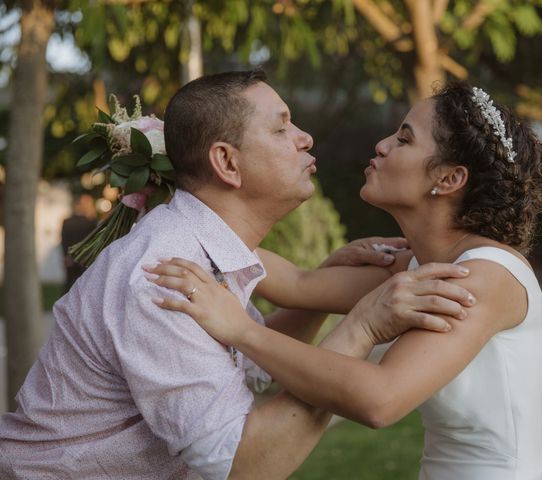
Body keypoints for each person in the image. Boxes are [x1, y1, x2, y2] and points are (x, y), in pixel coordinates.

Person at [0, 71, 474, 480]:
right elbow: (241, 465)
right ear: (227, 163)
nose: (305, 138)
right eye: (281, 127)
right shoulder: (165, 276)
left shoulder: (201, 250)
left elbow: (245, 367)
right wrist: (362, 326)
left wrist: (315, 296)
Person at [148, 81, 542, 479]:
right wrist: (188, 203)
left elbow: (380, 400)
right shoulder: (410, 266)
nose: (382, 145)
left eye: (404, 139)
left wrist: (241, 329)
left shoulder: (484, 277)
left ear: (449, 178)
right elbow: (297, 285)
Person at [61, 192, 97, 292]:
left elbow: (64, 241)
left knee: (70, 284)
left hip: (73, 257)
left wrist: (65, 256)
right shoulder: (91, 222)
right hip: (85, 258)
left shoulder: (67, 221)